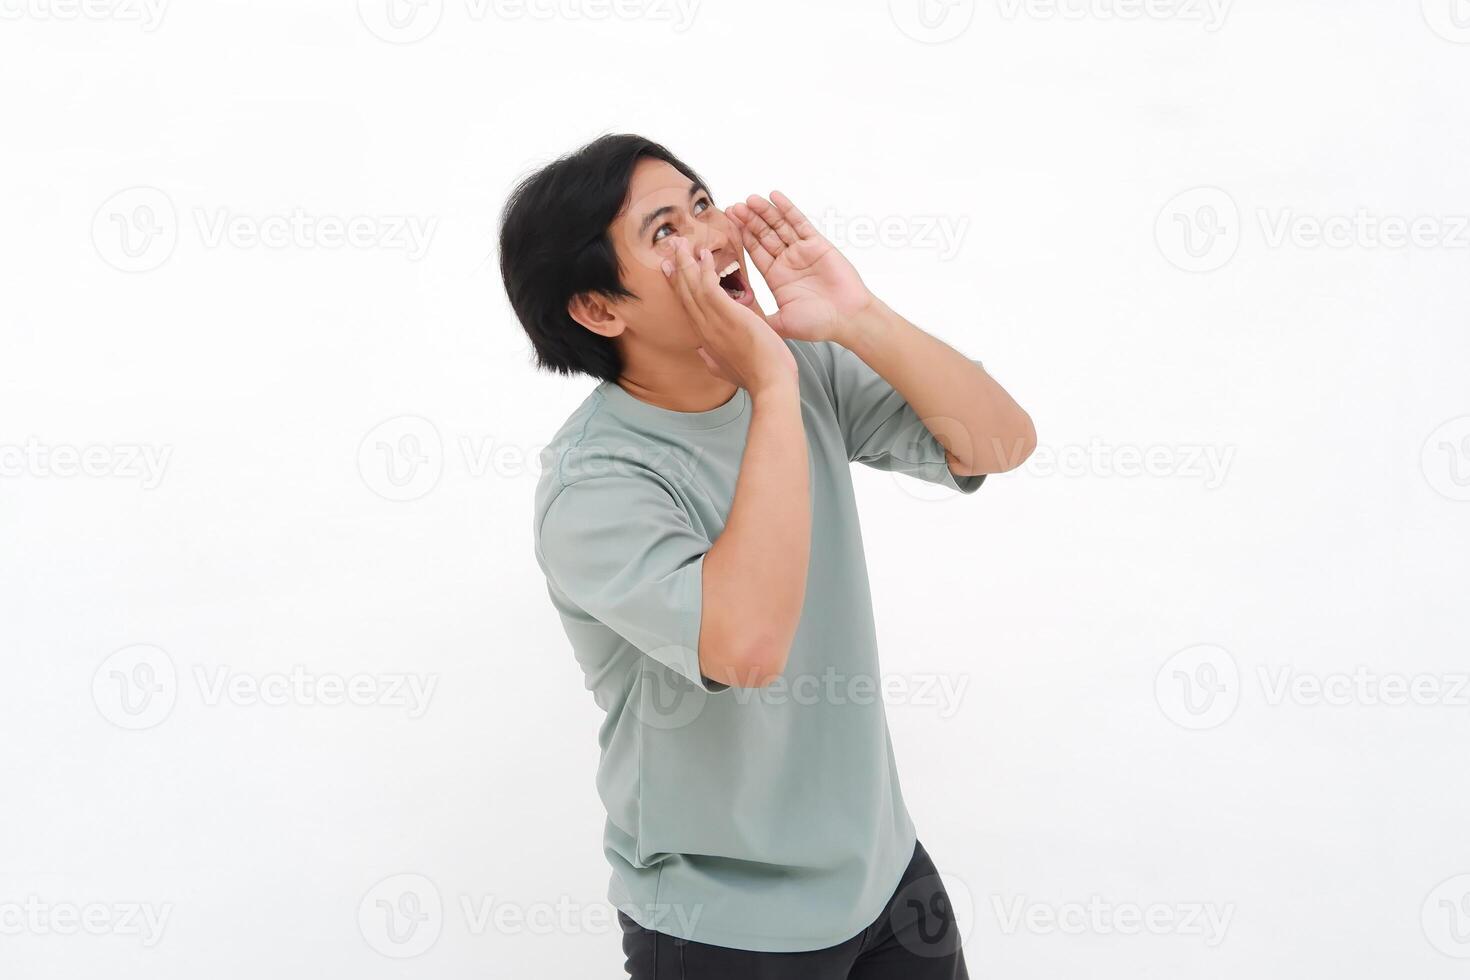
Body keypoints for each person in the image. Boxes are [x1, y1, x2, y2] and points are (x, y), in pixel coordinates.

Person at [500, 133, 1036, 979]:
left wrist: (862, 320)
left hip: (885, 874)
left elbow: (1001, 441)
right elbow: (746, 648)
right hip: (722, 924)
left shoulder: (801, 364)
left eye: (703, 203)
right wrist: (774, 385)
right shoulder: (596, 485)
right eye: (663, 231)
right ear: (600, 309)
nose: (711, 236)